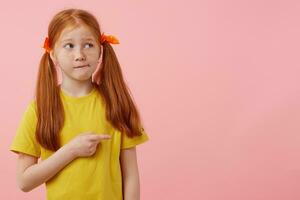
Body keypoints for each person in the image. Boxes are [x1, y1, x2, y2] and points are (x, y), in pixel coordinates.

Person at [9, 8, 149, 200]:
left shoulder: (117, 104)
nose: (80, 54)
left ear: (100, 49)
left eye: (88, 45)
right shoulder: (39, 110)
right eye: (69, 46)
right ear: (53, 54)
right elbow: (24, 182)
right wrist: (71, 150)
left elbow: (131, 176)